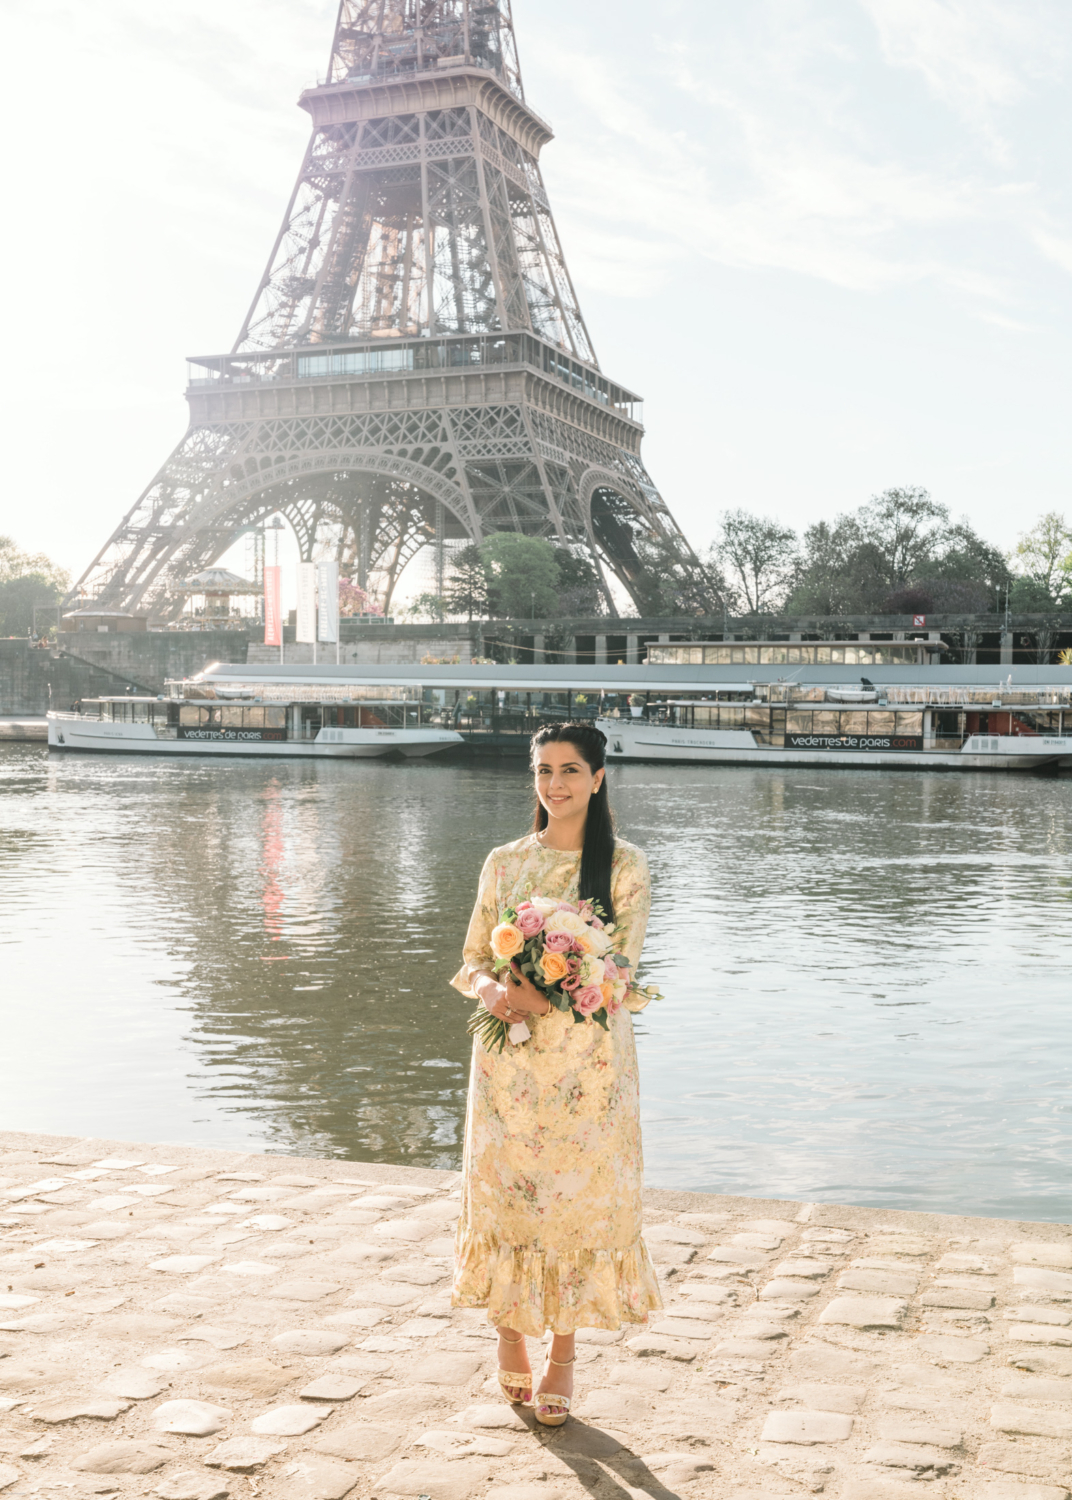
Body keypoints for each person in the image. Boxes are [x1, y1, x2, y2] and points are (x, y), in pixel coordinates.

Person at [450, 722, 662, 1427]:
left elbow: (621, 975)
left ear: (599, 778)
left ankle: (563, 1354)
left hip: (588, 1069)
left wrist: (552, 989)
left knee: (575, 1204)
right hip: (507, 1062)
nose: (556, 784)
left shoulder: (624, 867)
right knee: (506, 1193)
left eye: (571, 770)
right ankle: (508, 1333)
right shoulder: (505, 862)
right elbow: (475, 955)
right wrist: (495, 994)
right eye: (544, 770)